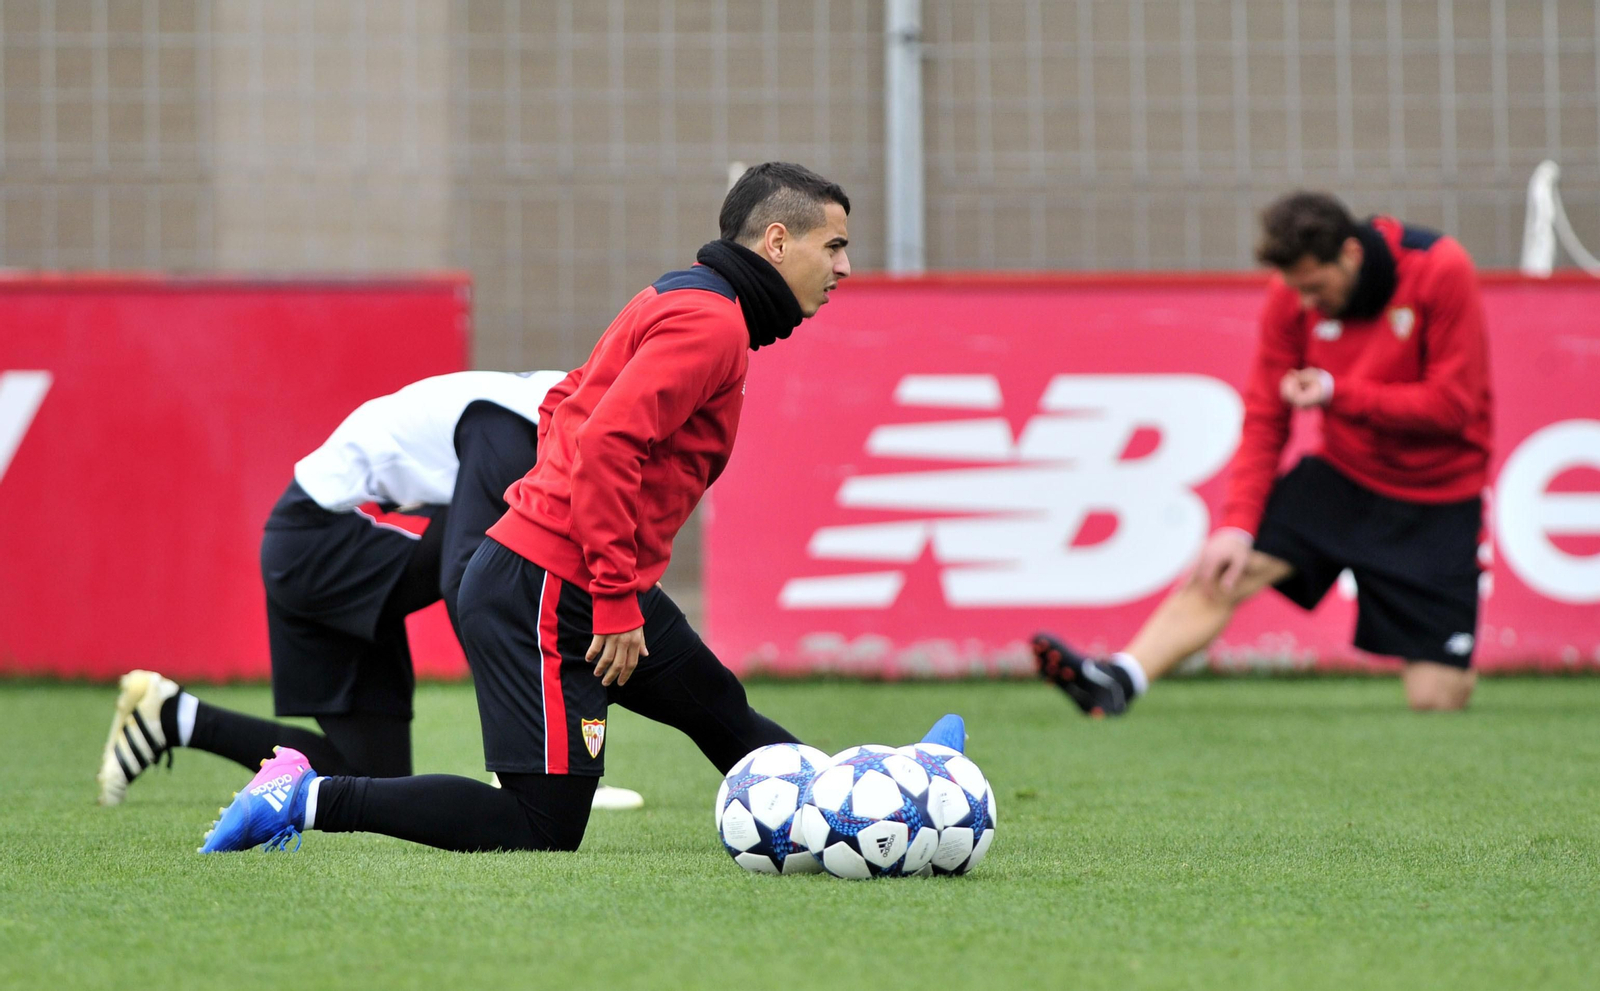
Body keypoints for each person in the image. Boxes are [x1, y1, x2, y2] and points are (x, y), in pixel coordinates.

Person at [196, 161, 904, 855]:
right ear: (778, 242)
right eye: (834, 245)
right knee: (540, 824)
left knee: (718, 708)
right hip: (550, 588)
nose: (843, 267)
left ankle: (885, 798)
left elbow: (567, 406)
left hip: (571, 573)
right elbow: (604, 446)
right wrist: (614, 598)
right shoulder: (711, 323)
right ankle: (303, 795)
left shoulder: (683, 297)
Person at [1034, 191, 1493, 715]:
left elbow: (1454, 406)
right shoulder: (1291, 296)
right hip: (1343, 475)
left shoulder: (1440, 268)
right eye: (1295, 289)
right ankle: (1118, 680)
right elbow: (1266, 417)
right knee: (1227, 566)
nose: (1304, 303)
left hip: (1437, 498)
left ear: (1350, 254)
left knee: (1437, 700)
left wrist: (1338, 392)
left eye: (1315, 287)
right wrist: (1237, 526)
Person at [97, 370, 643, 810]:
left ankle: (174, 717)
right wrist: (533, 761)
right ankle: (530, 768)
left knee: (369, 778)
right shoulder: (508, 424)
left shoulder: (530, 410)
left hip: (315, 545)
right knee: (492, 566)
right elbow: (464, 581)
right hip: (315, 542)